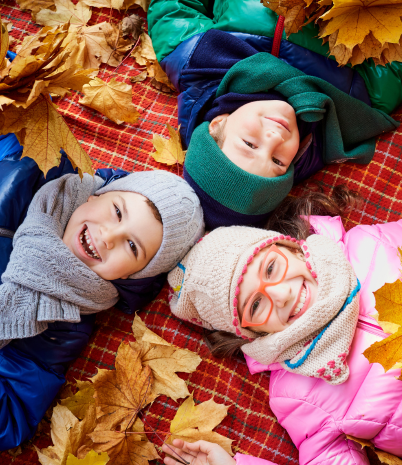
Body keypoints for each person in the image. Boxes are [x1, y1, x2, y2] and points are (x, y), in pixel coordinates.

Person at [166, 187, 402, 464]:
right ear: (250, 333)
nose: (281, 295)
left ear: (290, 248)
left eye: (270, 269)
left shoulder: (368, 244)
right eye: (255, 305)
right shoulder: (296, 396)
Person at [0, 132, 204, 450]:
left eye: (132, 246)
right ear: (95, 195)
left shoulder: (61, 324)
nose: (109, 236)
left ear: (131, 276)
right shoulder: (30, 163)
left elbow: (10, 414)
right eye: (118, 212)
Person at [147, 0, 401, 229]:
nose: (274, 139)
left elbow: (174, 6)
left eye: (250, 144)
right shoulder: (354, 102)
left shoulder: (192, 58)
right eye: (278, 162)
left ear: (218, 124)